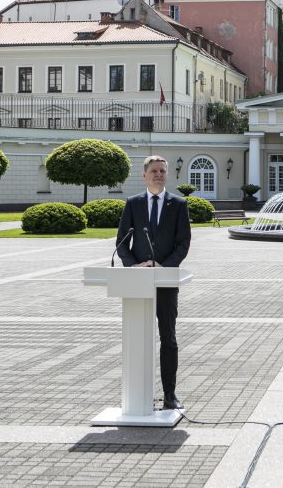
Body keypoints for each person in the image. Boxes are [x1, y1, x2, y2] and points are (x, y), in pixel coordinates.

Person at [116, 155, 191, 410]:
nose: (158, 174)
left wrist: (165, 266)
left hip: (166, 282)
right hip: (138, 282)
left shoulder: (178, 205)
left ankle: (170, 395)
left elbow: (183, 244)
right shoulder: (133, 204)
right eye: (154, 171)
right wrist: (133, 265)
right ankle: (139, 394)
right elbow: (122, 243)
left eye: (162, 171)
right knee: (138, 338)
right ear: (144, 175)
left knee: (168, 338)